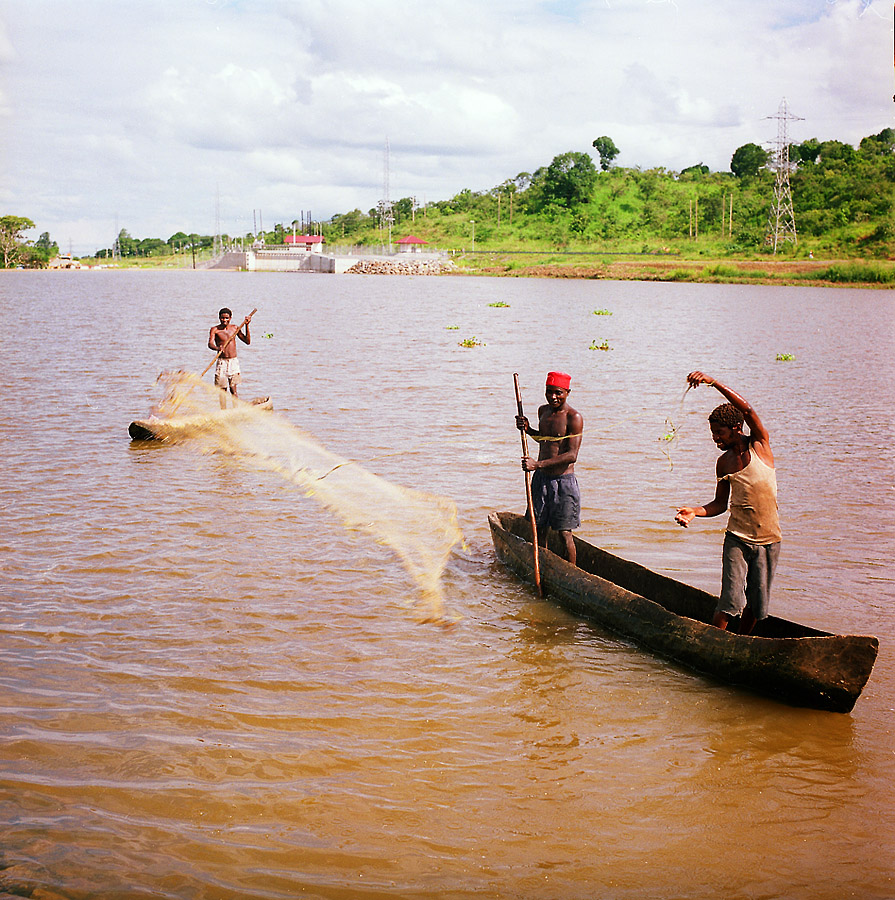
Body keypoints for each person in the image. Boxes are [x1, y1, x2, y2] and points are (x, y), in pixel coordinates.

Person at [675, 372, 781, 635]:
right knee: (731, 600)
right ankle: (716, 642)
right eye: (712, 432)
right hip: (738, 538)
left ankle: (741, 641)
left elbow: (747, 409)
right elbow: (720, 504)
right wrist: (695, 512)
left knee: (757, 604)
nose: (714, 438)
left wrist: (714, 383)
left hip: (769, 539)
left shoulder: (760, 445)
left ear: (736, 428)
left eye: (718, 432)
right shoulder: (723, 463)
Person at [515, 371, 584, 566]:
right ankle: (543, 565)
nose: (553, 397)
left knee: (564, 533)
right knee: (539, 528)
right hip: (541, 479)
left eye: (558, 393)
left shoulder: (574, 417)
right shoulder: (542, 411)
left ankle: (571, 573)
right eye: (549, 392)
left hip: (563, 483)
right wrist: (528, 430)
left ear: (567, 392)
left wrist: (536, 464)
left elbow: (572, 455)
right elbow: (546, 441)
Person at [208, 307, 252, 402]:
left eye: (227, 318)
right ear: (219, 318)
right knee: (222, 391)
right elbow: (210, 344)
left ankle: (236, 410)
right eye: (222, 318)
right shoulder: (215, 330)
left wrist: (247, 326)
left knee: (233, 390)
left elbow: (247, 341)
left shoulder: (234, 328)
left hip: (233, 362)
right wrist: (217, 348)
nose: (224, 320)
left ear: (230, 318)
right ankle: (223, 412)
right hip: (222, 362)